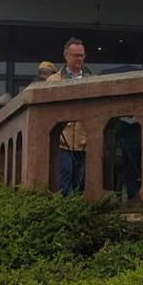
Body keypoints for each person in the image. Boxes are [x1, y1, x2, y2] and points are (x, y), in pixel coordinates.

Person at [46, 38, 92, 196]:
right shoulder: (54, 81)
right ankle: (68, 206)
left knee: (80, 181)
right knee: (64, 179)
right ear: (66, 56)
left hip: (84, 140)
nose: (79, 58)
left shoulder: (92, 79)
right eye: (75, 55)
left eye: (82, 55)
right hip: (62, 140)